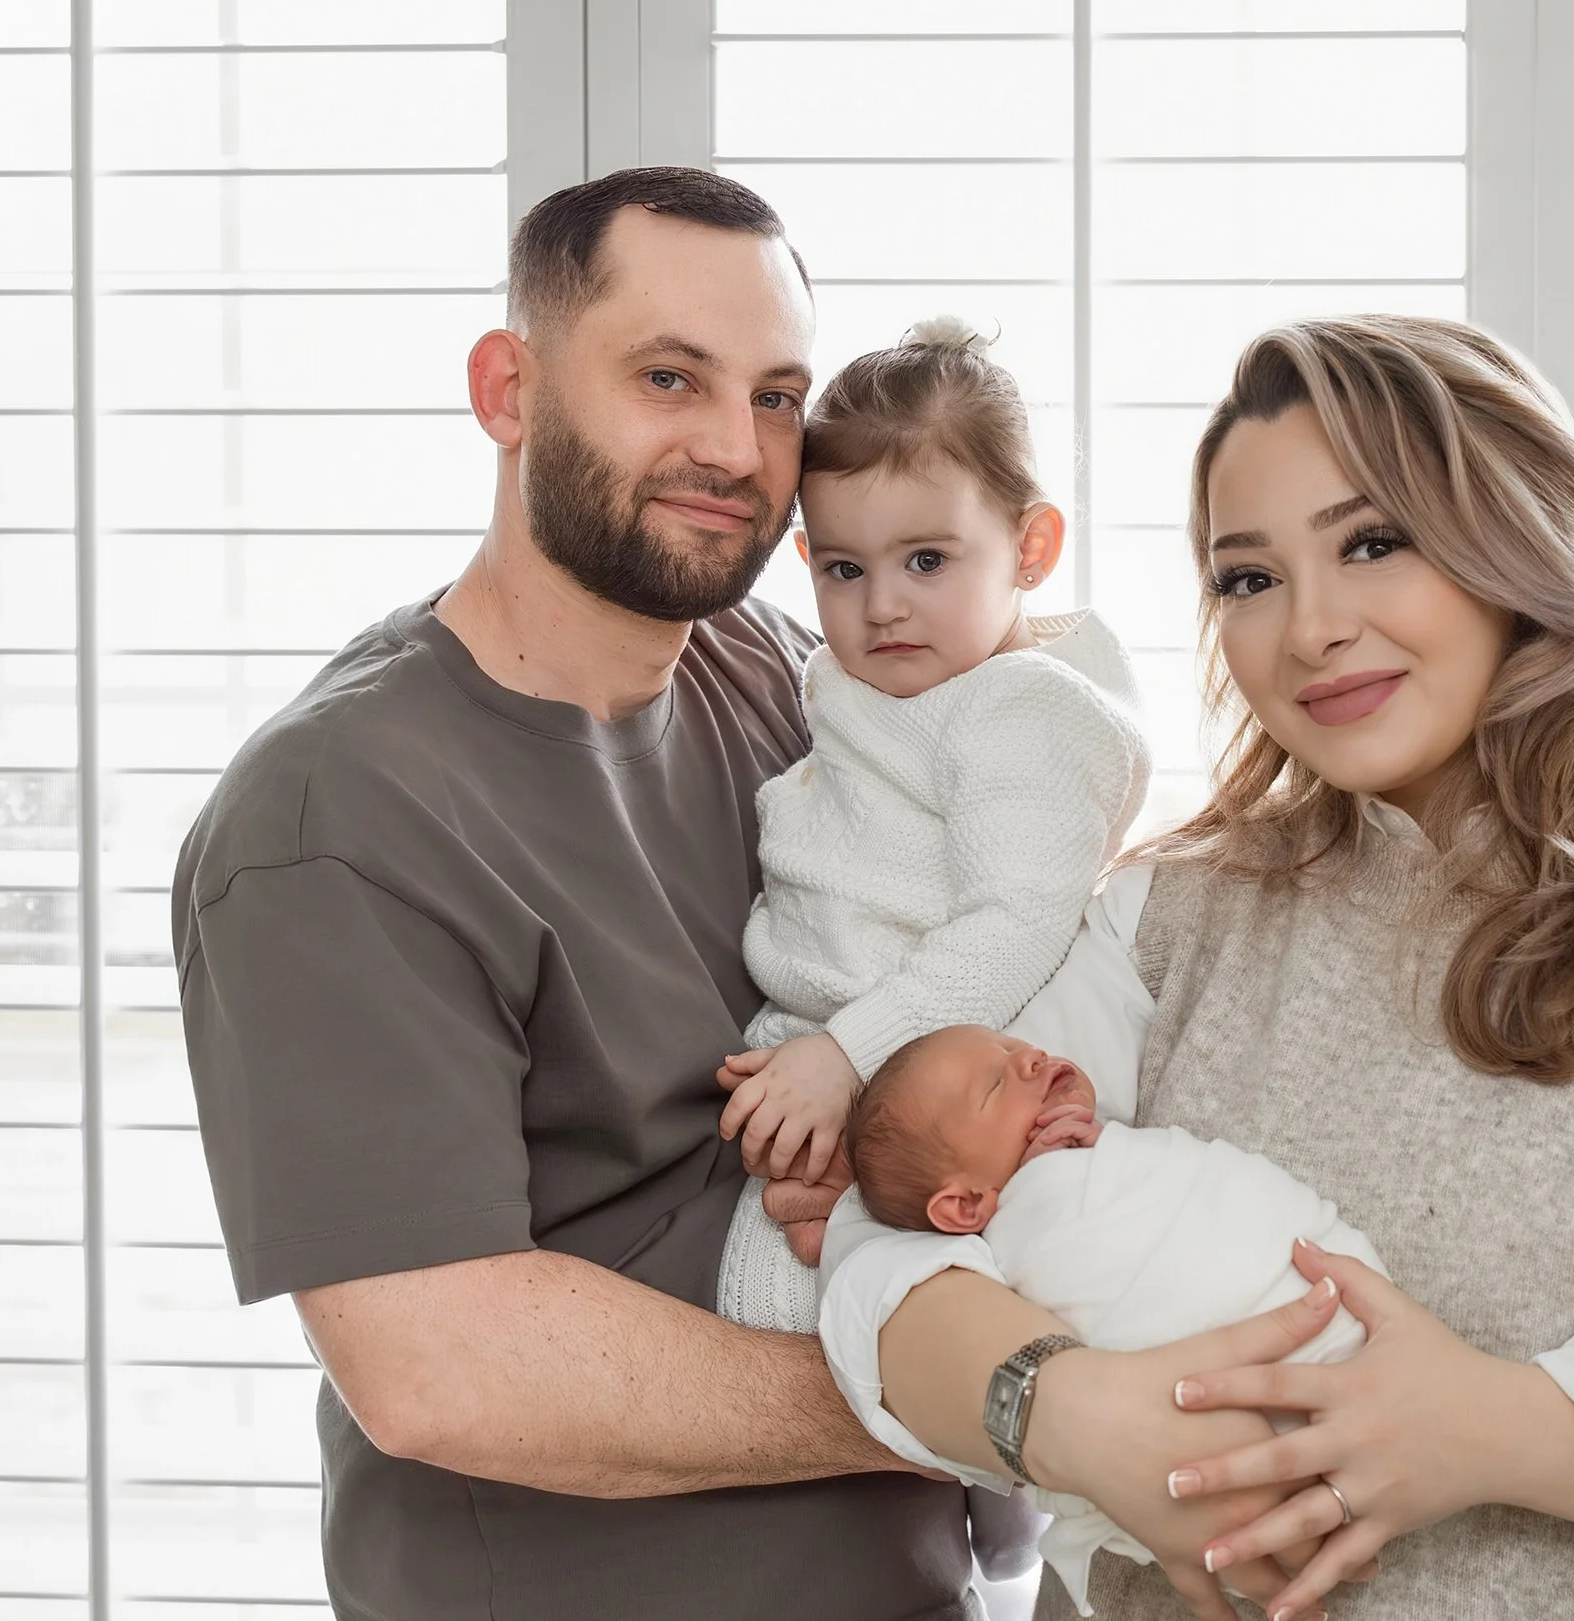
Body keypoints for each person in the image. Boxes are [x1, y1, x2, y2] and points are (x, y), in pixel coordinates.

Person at [808, 316, 1574, 1621]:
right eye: (1249, 579)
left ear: (1518, 535)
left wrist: (1510, 1432)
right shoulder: (1164, 913)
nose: (1311, 628)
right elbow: (891, 1244)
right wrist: (1065, 1411)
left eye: (1373, 543)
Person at [171, 168, 976, 1620]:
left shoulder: (792, 680)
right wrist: (975, 1399)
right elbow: (438, 1366)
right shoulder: (334, 814)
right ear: (509, 391)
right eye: (669, 377)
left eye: (779, 397)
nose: (736, 449)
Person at [710, 317, 1148, 1338]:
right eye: (845, 571)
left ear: (1030, 548)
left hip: (916, 1073)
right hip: (833, 1055)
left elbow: (1018, 921)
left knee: (837, 1331)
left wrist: (847, 1057)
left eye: (927, 560)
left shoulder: (1024, 710)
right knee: (774, 1317)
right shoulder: (866, 679)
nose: (884, 608)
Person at [847, 1023, 1386, 1615]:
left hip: (1350, 1327)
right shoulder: (1014, 1246)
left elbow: (1195, 1193)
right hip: (1221, 1429)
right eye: (995, 1086)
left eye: (1014, 1046)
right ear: (966, 1205)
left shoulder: (1112, 1151)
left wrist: (1106, 1149)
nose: (1030, 1058)